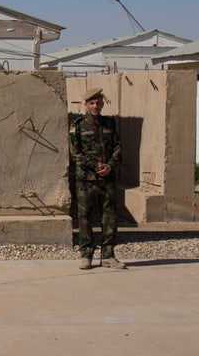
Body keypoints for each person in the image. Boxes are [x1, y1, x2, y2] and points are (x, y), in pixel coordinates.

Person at [69, 88, 126, 270]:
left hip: (107, 179)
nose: (96, 106)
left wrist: (109, 165)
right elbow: (75, 153)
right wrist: (95, 166)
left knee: (109, 217)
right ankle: (86, 254)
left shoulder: (110, 124)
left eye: (98, 103)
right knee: (84, 218)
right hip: (86, 180)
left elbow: (118, 147)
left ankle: (108, 255)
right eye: (92, 103)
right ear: (86, 105)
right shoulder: (77, 126)